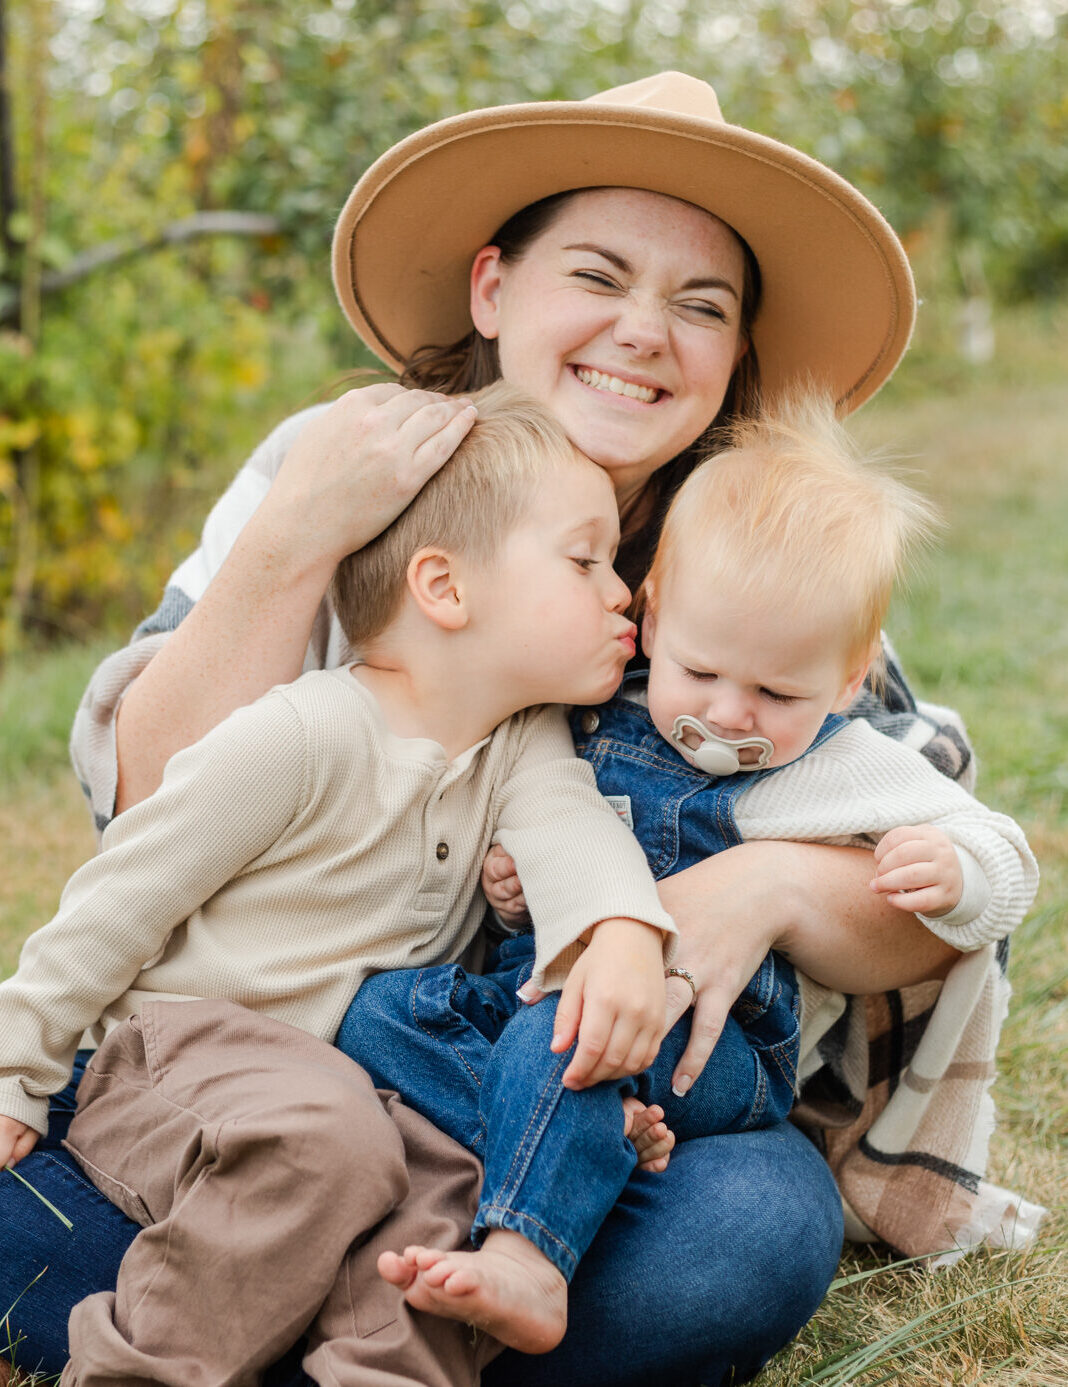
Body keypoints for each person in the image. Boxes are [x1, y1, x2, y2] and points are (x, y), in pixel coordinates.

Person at [1, 72, 1035, 1387]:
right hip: (266, 1068)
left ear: (736, 356)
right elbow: (154, 811)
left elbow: (922, 871)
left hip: (572, 1111)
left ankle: (308, 1306)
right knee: (138, 1175)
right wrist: (290, 539)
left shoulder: (760, 544)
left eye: (701, 306)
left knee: (750, 1232)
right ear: (494, 288)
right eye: (598, 276)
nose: (645, 333)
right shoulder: (344, 467)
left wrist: (761, 881)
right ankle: (335, 1314)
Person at [0, 386, 692, 1385]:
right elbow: (124, 894)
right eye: (584, 560)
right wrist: (18, 1057)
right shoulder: (303, 732)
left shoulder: (521, 744)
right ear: (445, 588)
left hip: (352, 1101)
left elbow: (573, 829)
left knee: (447, 1182)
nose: (620, 591)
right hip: (176, 1066)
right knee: (333, 1135)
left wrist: (622, 933)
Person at [341, 395, 1037, 1346]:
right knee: (384, 1011)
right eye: (704, 672)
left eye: (777, 691)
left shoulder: (838, 765)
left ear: (847, 680)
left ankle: (528, 1261)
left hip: (719, 1048)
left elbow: (1009, 855)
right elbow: (539, 847)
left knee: (569, 1035)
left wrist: (958, 868)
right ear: (655, 615)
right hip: (541, 998)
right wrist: (515, 898)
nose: (731, 712)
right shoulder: (589, 714)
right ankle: (590, 1145)